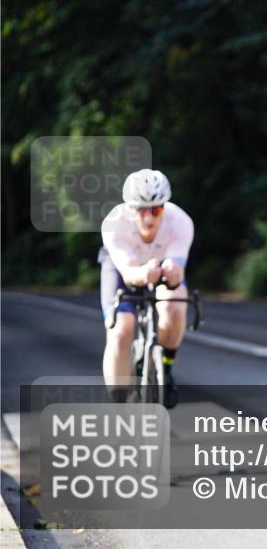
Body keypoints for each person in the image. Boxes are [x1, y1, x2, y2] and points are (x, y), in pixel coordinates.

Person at [99, 169, 194, 408]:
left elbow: (177, 275)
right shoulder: (114, 223)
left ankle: (167, 366)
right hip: (123, 269)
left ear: (165, 206)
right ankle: (119, 402)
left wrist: (173, 274)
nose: (149, 218)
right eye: (141, 209)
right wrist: (143, 273)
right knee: (122, 329)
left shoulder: (180, 222)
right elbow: (130, 272)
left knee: (175, 304)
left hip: (160, 265)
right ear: (129, 208)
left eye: (156, 209)